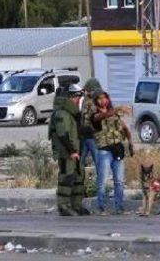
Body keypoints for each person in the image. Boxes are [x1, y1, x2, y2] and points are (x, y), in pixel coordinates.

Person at [48, 84, 89, 216]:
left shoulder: (72, 113)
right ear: (71, 97)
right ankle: (63, 205)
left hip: (75, 151)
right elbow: (62, 134)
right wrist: (72, 151)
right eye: (77, 97)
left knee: (78, 177)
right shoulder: (62, 113)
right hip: (66, 152)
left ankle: (76, 205)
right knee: (67, 177)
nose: (79, 100)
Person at [92, 90, 134, 215]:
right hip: (105, 150)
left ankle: (119, 207)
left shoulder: (115, 114)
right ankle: (101, 207)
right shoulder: (95, 115)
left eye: (105, 98)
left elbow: (125, 128)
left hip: (118, 149)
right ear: (96, 101)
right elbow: (101, 117)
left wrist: (130, 142)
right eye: (99, 98)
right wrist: (118, 108)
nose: (103, 100)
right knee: (102, 181)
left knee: (119, 181)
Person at [79, 78, 102, 168]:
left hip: (93, 137)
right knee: (80, 161)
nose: (85, 92)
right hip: (85, 136)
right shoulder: (85, 99)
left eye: (87, 90)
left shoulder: (98, 101)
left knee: (98, 161)